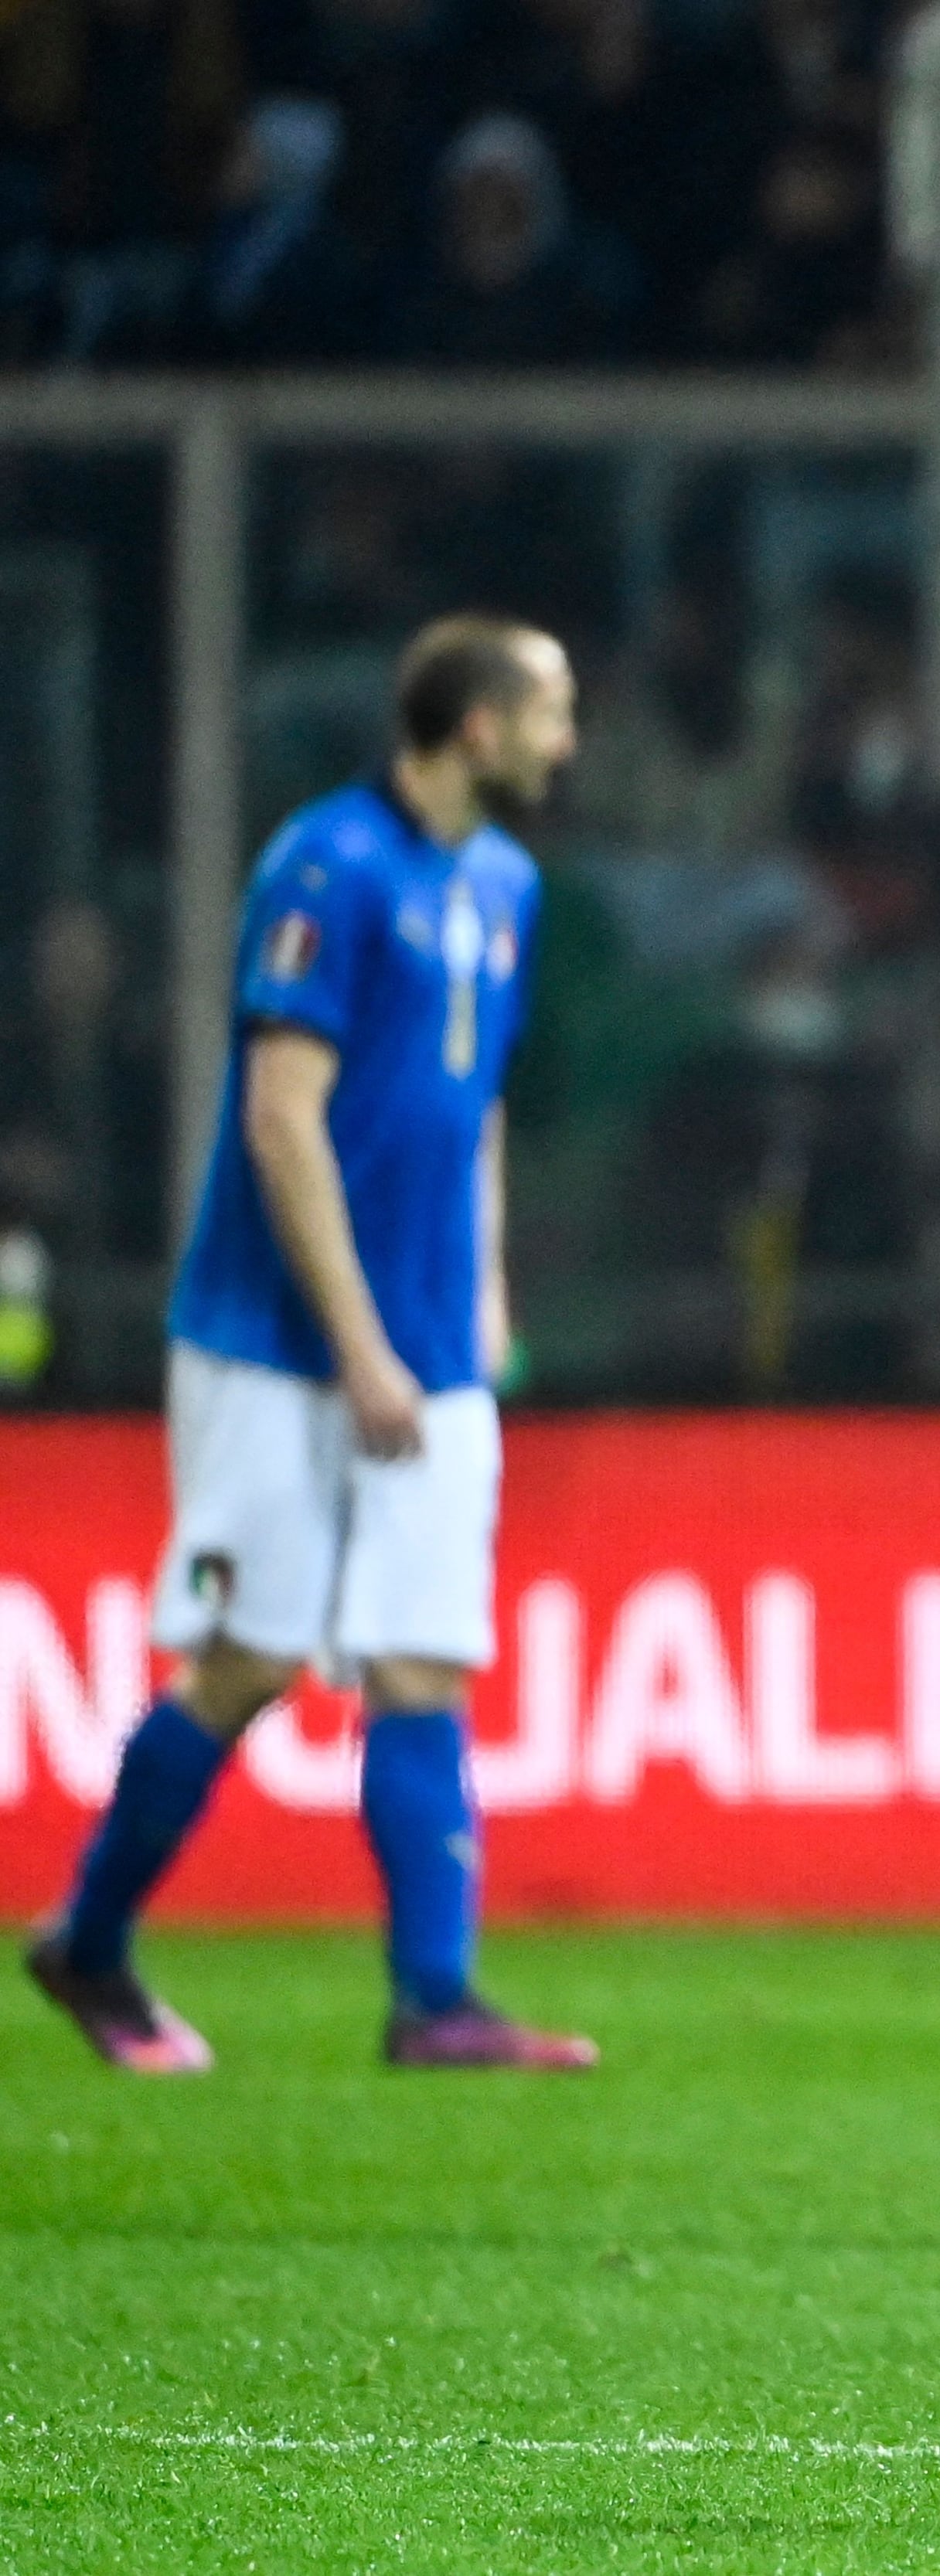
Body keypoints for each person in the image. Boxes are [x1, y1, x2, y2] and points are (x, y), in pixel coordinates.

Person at [26, 614, 594, 2076]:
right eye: (550, 712)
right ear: (476, 724)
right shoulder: (326, 868)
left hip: (427, 1345)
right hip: (277, 1343)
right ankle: (88, 1942)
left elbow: (473, 1103)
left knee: (422, 1657)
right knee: (254, 1655)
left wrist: (479, 1292)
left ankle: (436, 2002)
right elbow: (284, 1116)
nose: (565, 743)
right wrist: (357, 1341)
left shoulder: (507, 884)